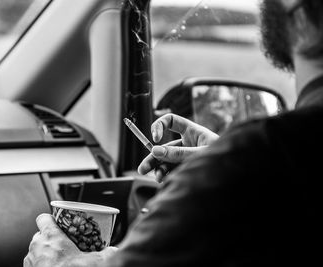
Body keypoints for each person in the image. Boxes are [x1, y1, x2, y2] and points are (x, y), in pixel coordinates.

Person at [24, 0, 323, 266]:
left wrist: (64, 263)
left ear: (297, 12)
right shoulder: (265, 165)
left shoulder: (256, 162)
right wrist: (219, 164)